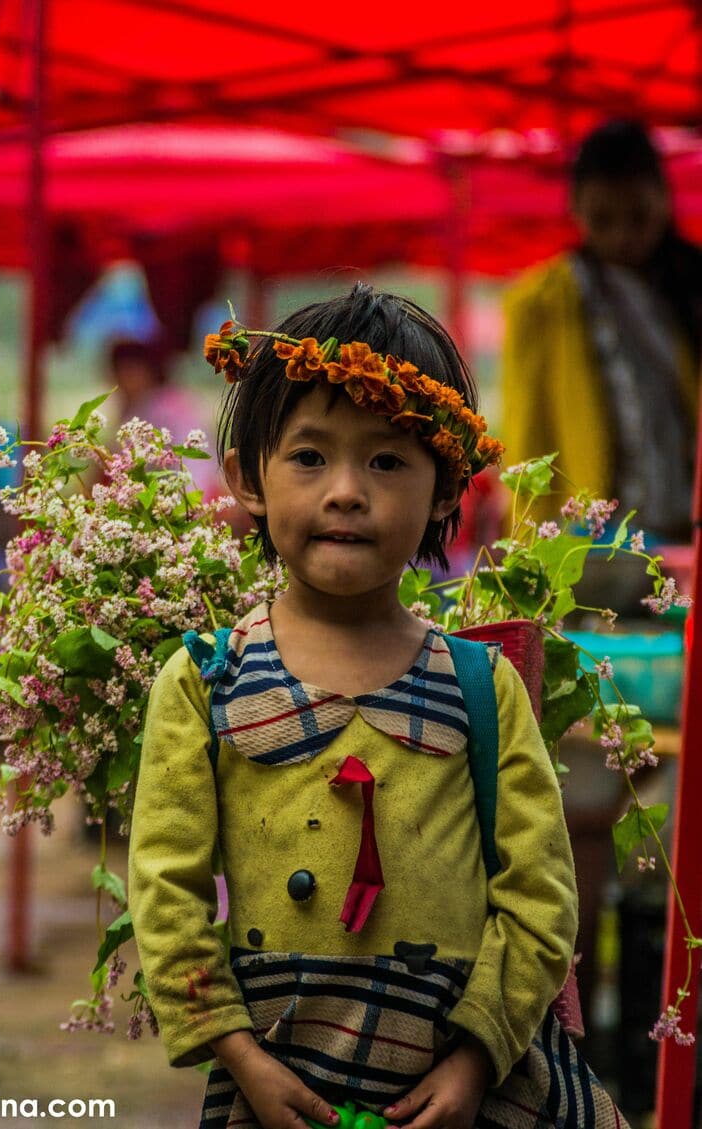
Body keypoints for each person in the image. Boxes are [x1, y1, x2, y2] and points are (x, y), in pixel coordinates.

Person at [128, 284, 629, 1129]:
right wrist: (240, 1056)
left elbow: (542, 895)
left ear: (446, 493)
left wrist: (477, 1057)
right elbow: (165, 893)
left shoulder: (482, 687)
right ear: (249, 476)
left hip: (458, 1090)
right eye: (310, 457)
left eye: (388, 461)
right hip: (272, 1084)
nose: (348, 491)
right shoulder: (202, 682)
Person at [501, 119, 701, 540]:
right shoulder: (541, 303)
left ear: (665, 200)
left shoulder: (691, 285)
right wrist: (528, 543)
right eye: (603, 219)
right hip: (597, 541)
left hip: (688, 527)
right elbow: (527, 439)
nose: (623, 236)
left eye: (638, 217)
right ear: (576, 209)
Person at [108, 337, 223, 500]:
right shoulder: (150, 404)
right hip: (189, 495)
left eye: (129, 371)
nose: (121, 381)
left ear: (148, 371)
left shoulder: (159, 406)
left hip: (189, 496)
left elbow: (117, 463)